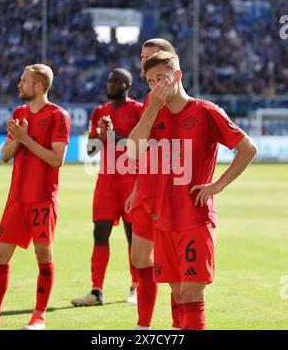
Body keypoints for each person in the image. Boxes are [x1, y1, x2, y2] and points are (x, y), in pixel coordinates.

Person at [126, 51, 258, 330]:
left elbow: (248, 148)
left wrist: (217, 185)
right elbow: (132, 151)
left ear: (178, 76)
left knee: (191, 293)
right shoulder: (154, 114)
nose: (156, 86)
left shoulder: (205, 111)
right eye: (150, 82)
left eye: (161, 78)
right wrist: (150, 110)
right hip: (162, 220)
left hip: (195, 220)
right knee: (176, 294)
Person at [0, 64, 71, 330]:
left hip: (42, 198)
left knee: (43, 256)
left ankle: (39, 316)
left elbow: (57, 159)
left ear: (38, 86)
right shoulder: (19, 113)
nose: (18, 85)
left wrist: (25, 138)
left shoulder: (59, 116)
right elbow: (4, 155)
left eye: (23, 81)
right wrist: (17, 138)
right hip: (16, 198)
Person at [71, 68, 142, 307]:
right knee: (99, 235)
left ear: (127, 85)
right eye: (109, 80)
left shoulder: (139, 110)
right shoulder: (99, 112)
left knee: (134, 238)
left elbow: (141, 144)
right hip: (106, 183)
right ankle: (96, 291)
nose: (110, 84)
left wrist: (113, 135)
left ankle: (136, 287)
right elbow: (91, 151)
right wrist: (100, 136)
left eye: (116, 81)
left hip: (132, 183)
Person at [125, 39, 181, 330]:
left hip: (169, 193)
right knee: (139, 259)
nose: (145, 61)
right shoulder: (149, 100)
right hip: (145, 189)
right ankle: (143, 326)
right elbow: (141, 149)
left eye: (152, 58)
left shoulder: (178, 102)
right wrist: (136, 187)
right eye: (143, 58)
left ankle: (176, 324)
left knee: (171, 266)